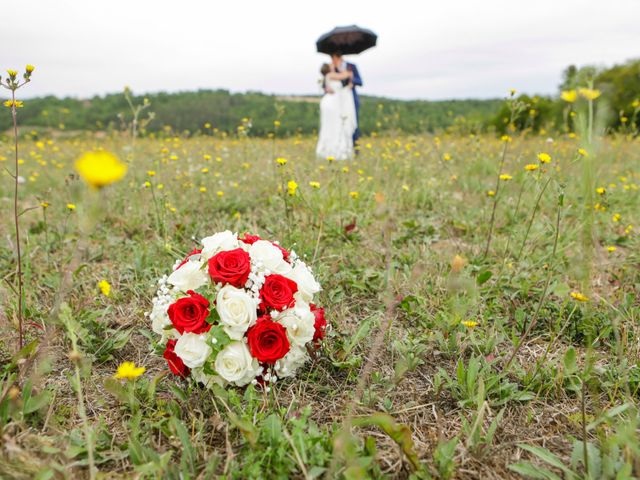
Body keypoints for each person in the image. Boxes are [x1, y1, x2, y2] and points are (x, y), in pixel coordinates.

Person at [316, 62, 357, 160]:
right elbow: (344, 75)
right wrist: (349, 73)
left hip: (329, 102)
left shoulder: (327, 76)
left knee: (329, 126)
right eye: (330, 65)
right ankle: (336, 151)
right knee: (335, 125)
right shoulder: (331, 75)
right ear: (328, 69)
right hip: (332, 103)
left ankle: (328, 150)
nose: (332, 65)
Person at [328, 52, 362, 148]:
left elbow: (360, 81)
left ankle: (356, 150)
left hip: (350, 100)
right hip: (338, 102)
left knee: (352, 123)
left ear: (339, 57)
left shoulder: (352, 66)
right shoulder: (331, 68)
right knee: (338, 124)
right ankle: (341, 148)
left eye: (334, 58)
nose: (332, 61)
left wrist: (352, 82)